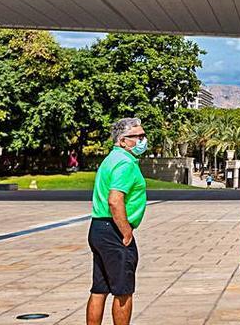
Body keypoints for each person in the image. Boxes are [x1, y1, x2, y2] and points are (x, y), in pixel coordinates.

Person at [86, 118, 149, 325]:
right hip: (114, 230)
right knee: (123, 291)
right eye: (138, 136)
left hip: (98, 228)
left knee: (100, 288)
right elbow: (115, 200)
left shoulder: (111, 159)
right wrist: (126, 231)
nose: (143, 140)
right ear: (122, 141)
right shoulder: (125, 163)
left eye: (143, 135)